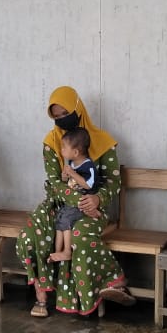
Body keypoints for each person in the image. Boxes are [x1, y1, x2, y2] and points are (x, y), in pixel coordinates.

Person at [15, 86, 135, 318]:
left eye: (65, 113)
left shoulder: (103, 142)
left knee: (80, 235)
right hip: (59, 204)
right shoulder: (51, 142)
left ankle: (113, 282)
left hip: (94, 207)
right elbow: (55, 183)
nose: (62, 119)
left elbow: (113, 181)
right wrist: (81, 201)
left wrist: (97, 199)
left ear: (78, 109)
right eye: (57, 116)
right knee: (29, 235)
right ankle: (41, 291)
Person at [49, 127, 102, 263]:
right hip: (70, 203)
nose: (61, 150)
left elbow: (88, 185)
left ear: (76, 152)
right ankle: (57, 251)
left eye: (64, 147)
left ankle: (67, 251)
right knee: (59, 221)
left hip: (82, 204)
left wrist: (73, 174)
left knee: (66, 221)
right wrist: (65, 176)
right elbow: (68, 182)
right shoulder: (71, 163)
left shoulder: (88, 166)